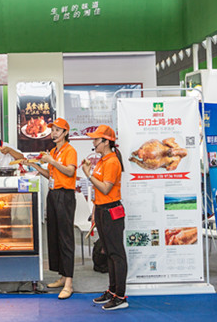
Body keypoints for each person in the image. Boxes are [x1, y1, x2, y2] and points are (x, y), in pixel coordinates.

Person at [81, 125, 128, 311]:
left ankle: (120, 296)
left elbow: (106, 188)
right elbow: (98, 191)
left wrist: (88, 174)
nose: (94, 143)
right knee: (108, 252)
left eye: (96, 139)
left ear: (106, 142)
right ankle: (112, 290)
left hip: (111, 211)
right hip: (101, 210)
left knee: (117, 254)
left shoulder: (112, 162)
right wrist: (95, 212)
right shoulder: (102, 161)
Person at [29, 118, 77, 299]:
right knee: (54, 236)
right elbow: (51, 174)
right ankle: (62, 276)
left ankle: (69, 282)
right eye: (52, 130)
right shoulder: (54, 151)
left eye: (57, 130)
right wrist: (34, 166)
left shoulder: (70, 150)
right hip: (53, 194)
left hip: (65, 196)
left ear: (65, 132)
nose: (54, 133)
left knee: (66, 238)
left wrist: (51, 160)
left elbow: (70, 171)